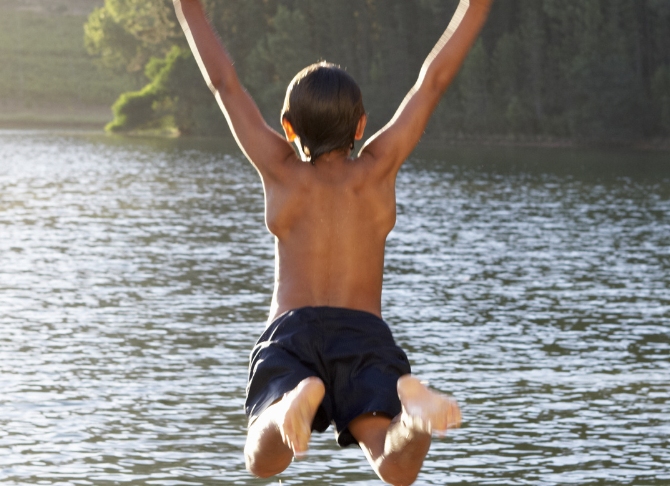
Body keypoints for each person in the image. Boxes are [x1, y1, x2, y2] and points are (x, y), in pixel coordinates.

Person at [172, 1, 491, 484]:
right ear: (361, 125)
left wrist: (189, 8)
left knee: (262, 460)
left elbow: (224, 83)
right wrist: (476, 6)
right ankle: (415, 420)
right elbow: (432, 82)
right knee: (393, 467)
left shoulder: (281, 172)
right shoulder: (376, 171)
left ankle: (288, 407)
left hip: (292, 333)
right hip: (362, 335)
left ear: (288, 127)